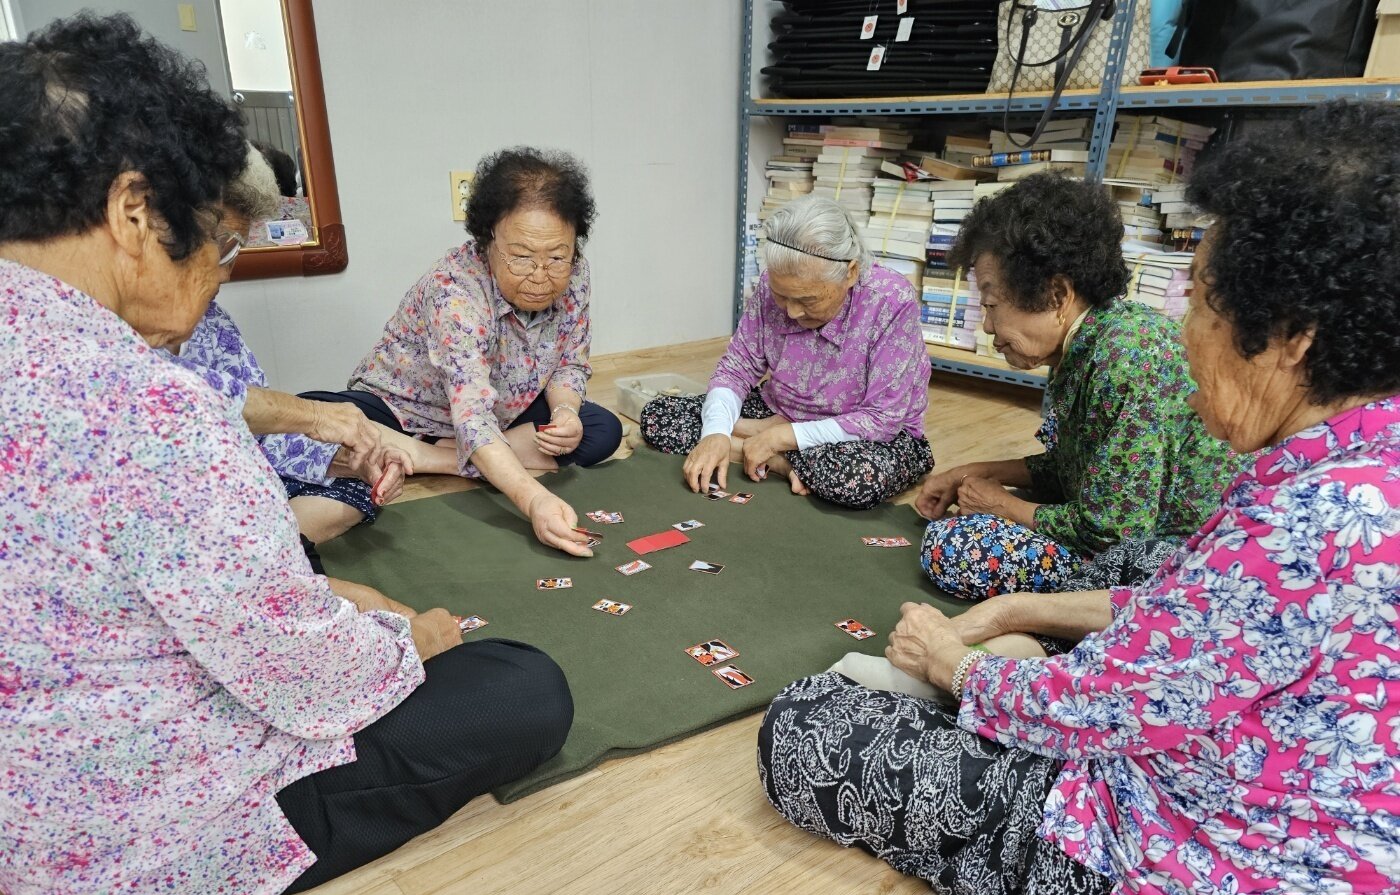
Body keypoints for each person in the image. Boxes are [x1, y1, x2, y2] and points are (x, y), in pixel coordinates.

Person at [758, 101, 1400, 895]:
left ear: (1293, 337)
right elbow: (1204, 623)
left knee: (803, 726)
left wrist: (953, 665)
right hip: (1297, 840)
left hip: (1196, 879)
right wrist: (1027, 610)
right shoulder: (1359, 461)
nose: (1184, 330)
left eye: (1203, 304)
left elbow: (1104, 695)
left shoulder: (1305, 522)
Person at [0, 15, 572, 895]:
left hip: (24, 809)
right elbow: (307, 678)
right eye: (218, 247)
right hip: (144, 848)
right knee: (521, 688)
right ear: (134, 213)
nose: (220, 277)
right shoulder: (152, 411)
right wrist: (414, 638)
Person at [915, 173, 1239, 600]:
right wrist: (970, 472)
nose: (988, 326)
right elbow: (1080, 469)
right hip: (1129, 531)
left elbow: (1115, 533)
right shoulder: (1090, 340)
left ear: (1056, 296)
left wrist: (1005, 506)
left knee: (957, 546)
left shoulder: (1126, 357)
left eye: (992, 305)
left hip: (1172, 559)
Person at [300, 147, 623, 558]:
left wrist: (565, 413)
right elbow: (470, 413)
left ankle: (428, 457)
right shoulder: (454, 289)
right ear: (488, 237)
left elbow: (570, 363)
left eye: (557, 256)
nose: (542, 276)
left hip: (503, 409)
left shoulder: (575, 272)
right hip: (404, 411)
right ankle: (450, 451)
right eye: (522, 257)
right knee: (309, 425)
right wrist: (533, 498)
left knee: (600, 430)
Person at [164, 143, 409, 543]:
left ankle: (270, 540)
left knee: (352, 489)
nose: (226, 274)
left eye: (236, 250)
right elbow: (180, 396)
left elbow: (261, 432)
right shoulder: (102, 336)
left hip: (245, 487)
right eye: (222, 247)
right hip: (187, 513)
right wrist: (314, 416)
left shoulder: (214, 323)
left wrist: (348, 461)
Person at [640, 195, 933, 510]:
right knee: (658, 416)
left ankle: (766, 450)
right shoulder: (772, 283)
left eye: (807, 300)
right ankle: (781, 461)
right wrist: (714, 433)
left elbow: (881, 419)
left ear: (850, 272)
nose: (792, 312)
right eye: (782, 296)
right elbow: (736, 369)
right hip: (778, 412)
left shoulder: (891, 302)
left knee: (859, 478)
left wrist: (778, 437)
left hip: (866, 436)